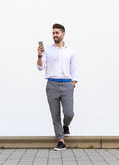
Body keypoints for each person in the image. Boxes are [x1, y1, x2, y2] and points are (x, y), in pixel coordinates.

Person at [37, 23, 78, 151]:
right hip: (52, 84)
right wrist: (39, 55)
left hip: (66, 84)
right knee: (55, 115)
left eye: (57, 33)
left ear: (63, 33)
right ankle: (61, 140)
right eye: (53, 33)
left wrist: (73, 82)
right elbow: (40, 67)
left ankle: (66, 125)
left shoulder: (70, 51)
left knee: (69, 113)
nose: (54, 35)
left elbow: (74, 68)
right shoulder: (47, 50)